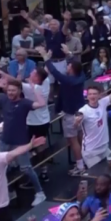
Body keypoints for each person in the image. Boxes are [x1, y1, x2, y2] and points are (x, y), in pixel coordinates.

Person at [0, 78, 47, 206]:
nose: (10, 92)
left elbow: (41, 103)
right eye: (9, 90)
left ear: (19, 91)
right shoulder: (3, 99)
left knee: (26, 168)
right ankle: (10, 191)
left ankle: (40, 193)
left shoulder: (24, 103)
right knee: (1, 167)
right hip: (4, 140)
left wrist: (34, 88)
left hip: (20, 141)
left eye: (13, 90)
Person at [37, 47, 86, 175]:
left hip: (70, 114)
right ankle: (85, 161)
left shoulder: (67, 80)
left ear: (72, 69)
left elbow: (54, 71)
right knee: (81, 137)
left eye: (69, 65)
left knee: (73, 141)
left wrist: (46, 58)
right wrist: (69, 54)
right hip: (81, 112)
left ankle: (80, 167)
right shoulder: (81, 76)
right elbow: (77, 66)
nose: (67, 66)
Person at [76, 86, 111, 171]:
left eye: (94, 94)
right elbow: (76, 122)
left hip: (104, 148)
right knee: (98, 174)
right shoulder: (83, 110)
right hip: (91, 151)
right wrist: (77, 121)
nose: (92, 96)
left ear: (99, 95)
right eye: (90, 94)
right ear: (87, 96)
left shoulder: (102, 103)